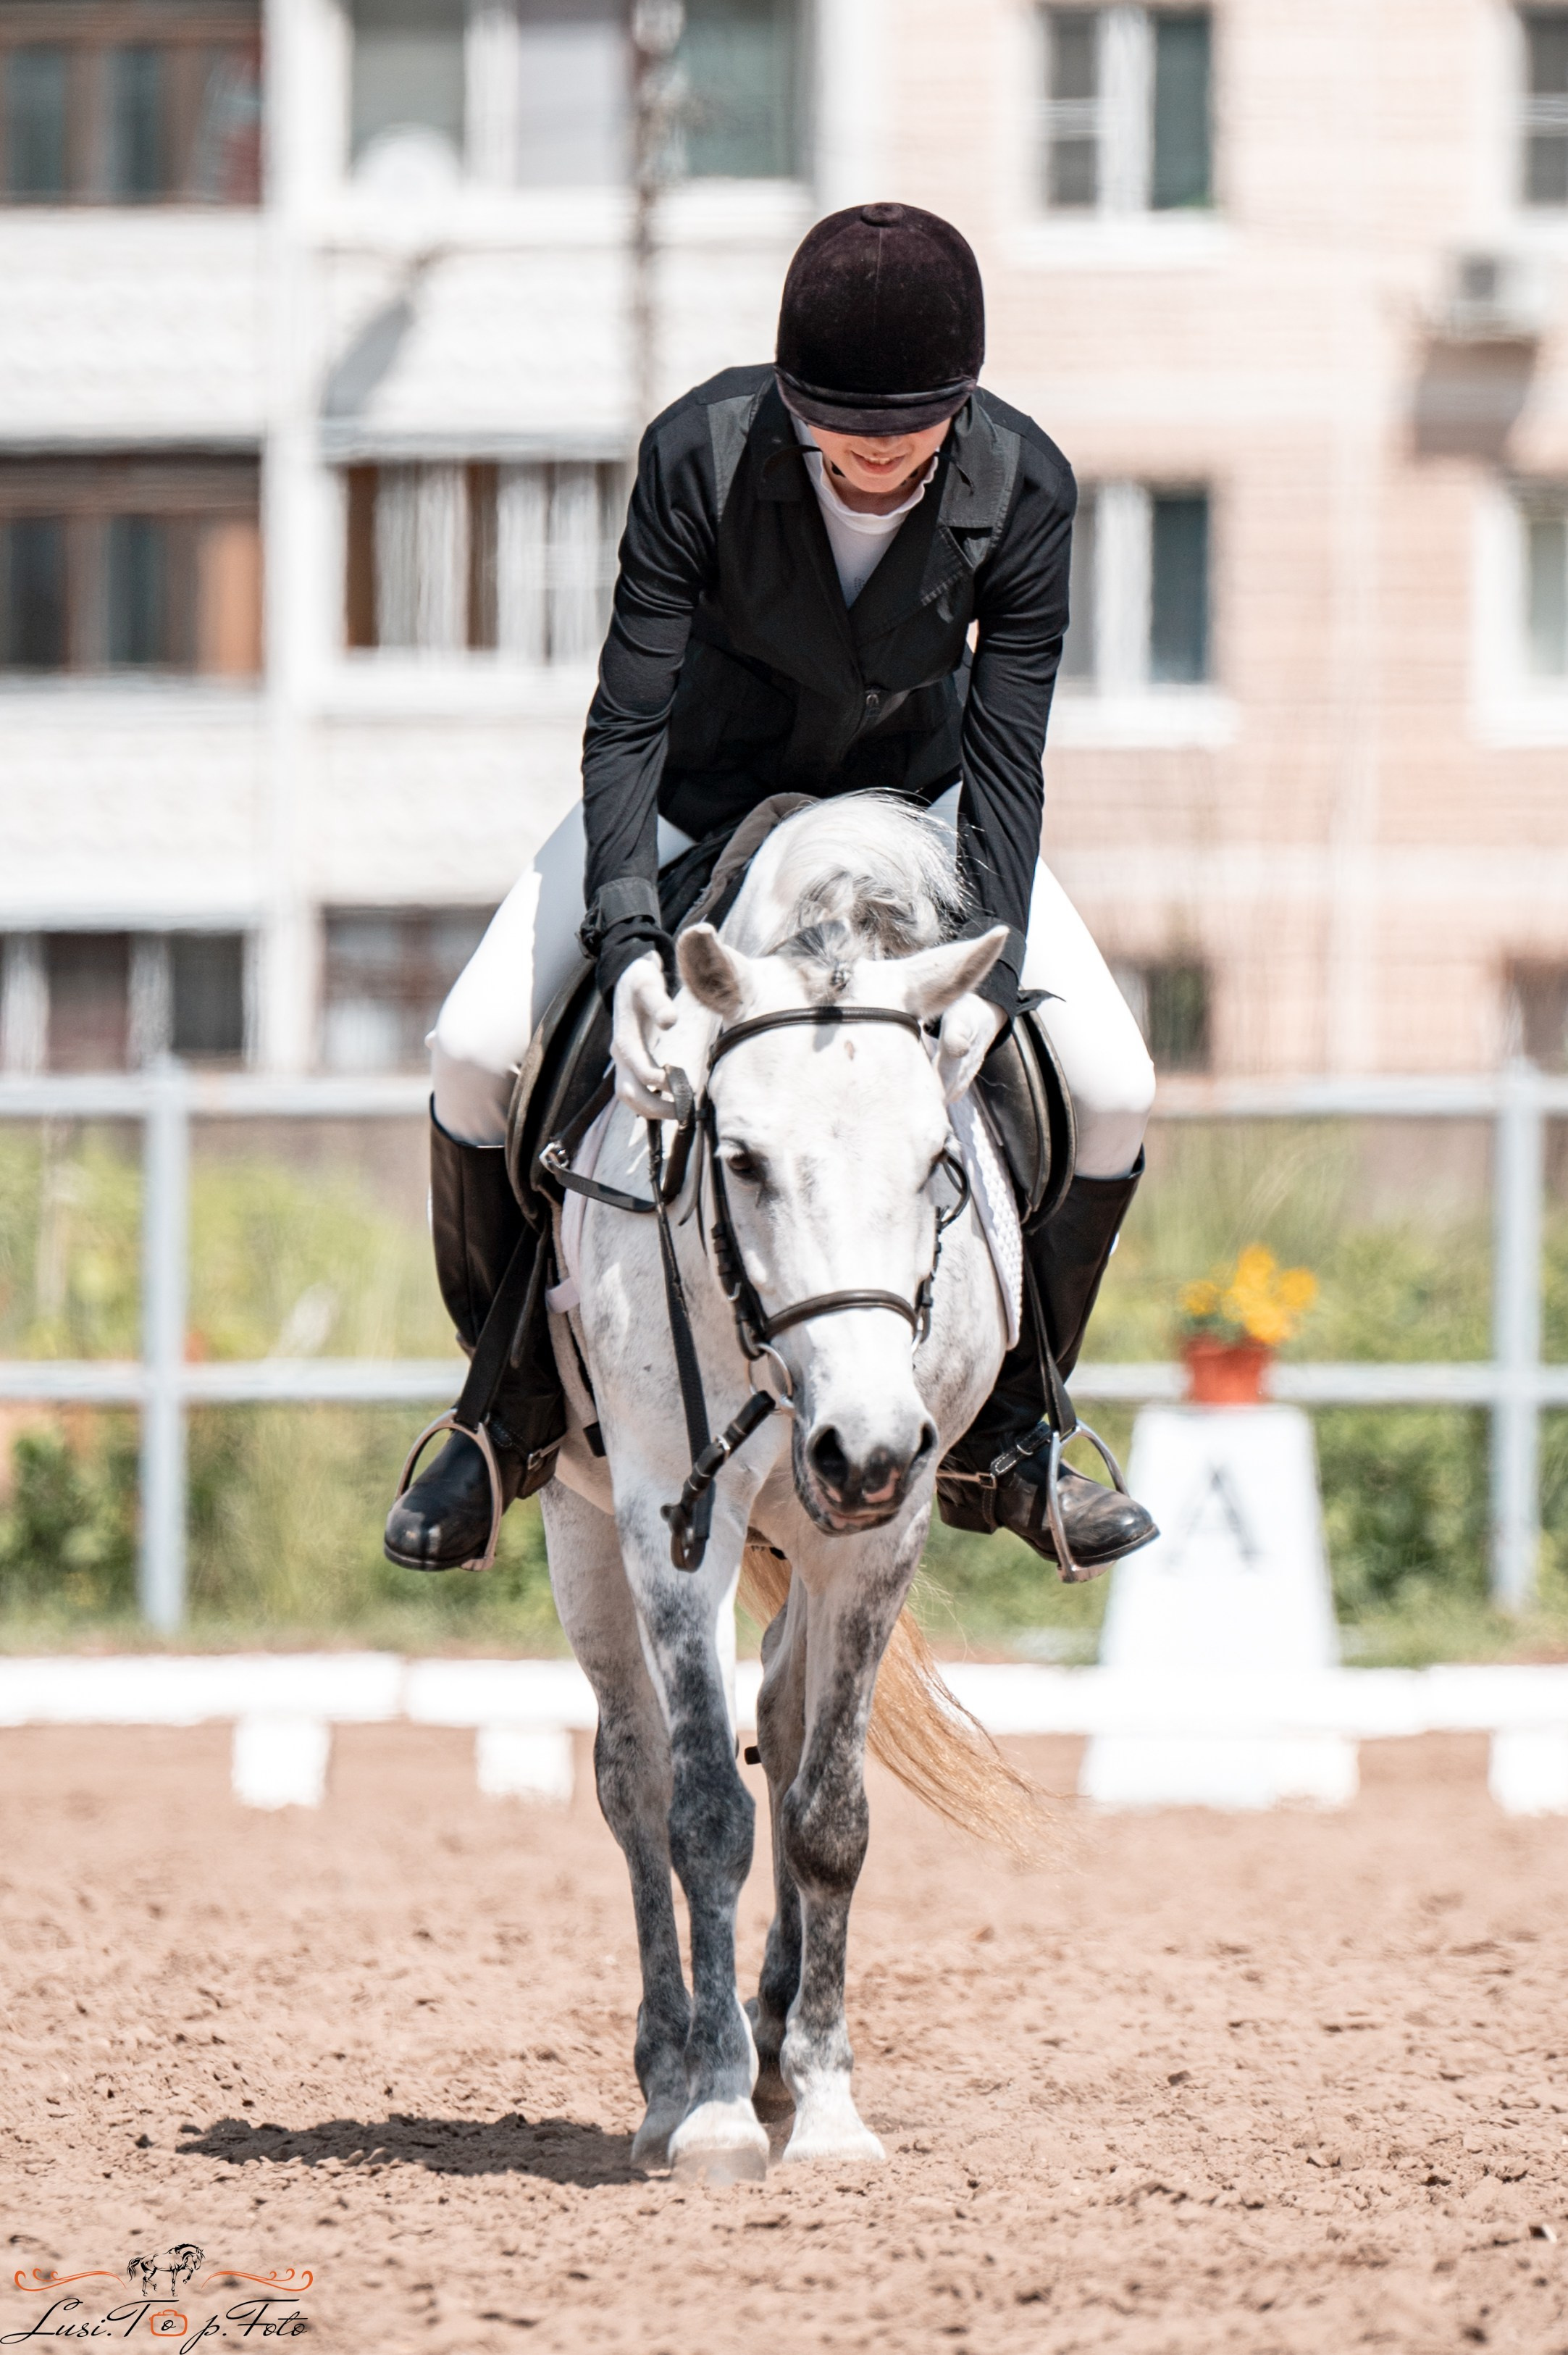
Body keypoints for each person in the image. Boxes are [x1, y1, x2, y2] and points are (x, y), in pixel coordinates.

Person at [385, 201, 1157, 1577]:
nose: (870, 461)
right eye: (840, 434)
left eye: (904, 439)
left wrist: (990, 958)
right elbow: (623, 720)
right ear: (790, 397)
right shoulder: (700, 452)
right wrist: (629, 944)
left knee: (1112, 1089)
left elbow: (1008, 750)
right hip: (691, 795)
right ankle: (497, 1416)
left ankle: (1019, 1431)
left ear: (961, 405)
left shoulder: (1026, 485)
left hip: (912, 815)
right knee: (470, 1050)